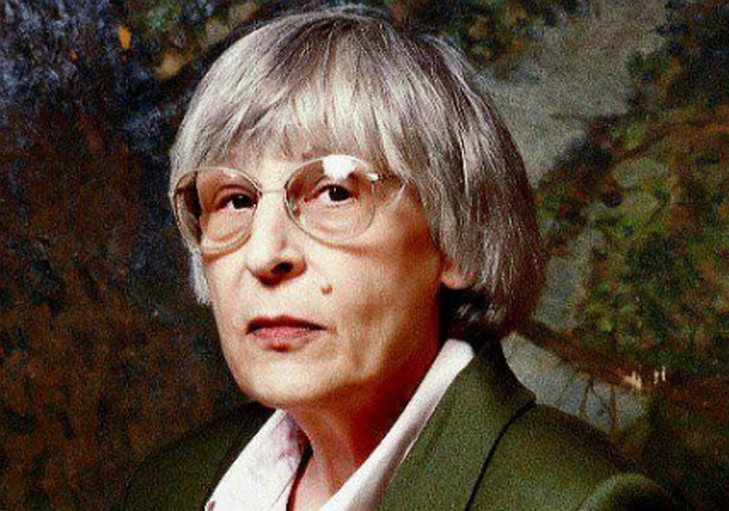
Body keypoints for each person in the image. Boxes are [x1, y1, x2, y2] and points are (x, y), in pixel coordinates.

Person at [125, 4, 674, 510]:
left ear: (456, 242)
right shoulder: (168, 488)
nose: (265, 254)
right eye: (235, 200)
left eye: (334, 192)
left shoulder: (583, 504)